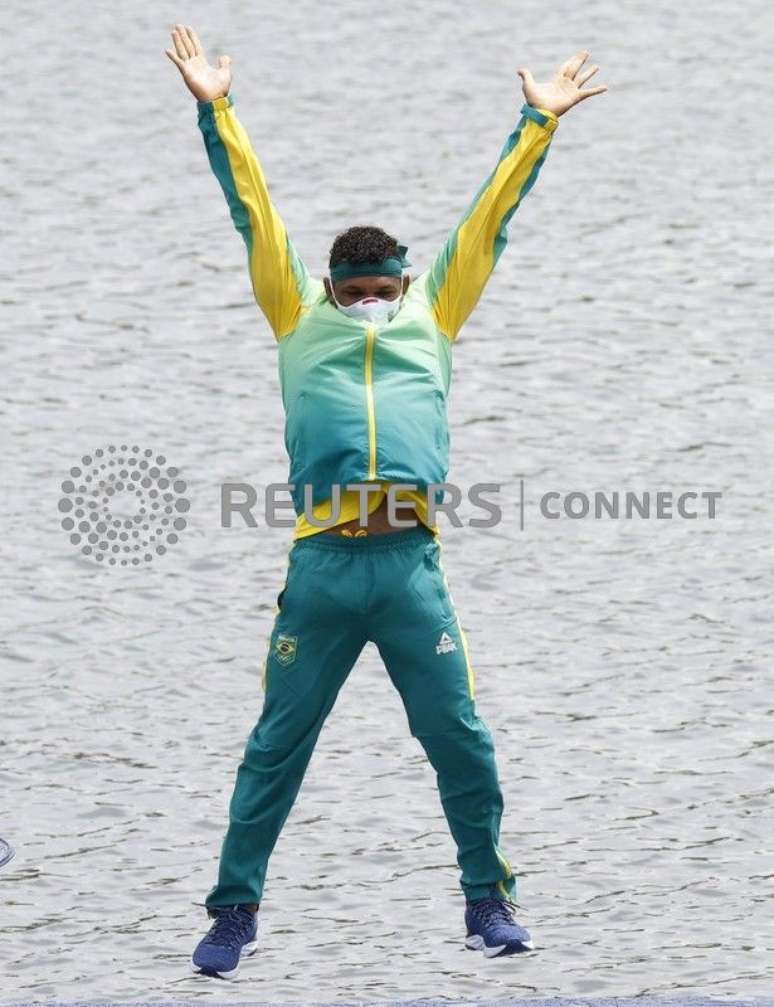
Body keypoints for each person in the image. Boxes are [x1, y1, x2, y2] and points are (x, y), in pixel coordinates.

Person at [165, 23, 606, 978]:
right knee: (275, 750)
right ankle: (233, 913)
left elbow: (491, 216)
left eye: (380, 288)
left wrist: (537, 122)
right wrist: (216, 109)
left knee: (462, 741)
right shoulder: (296, 311)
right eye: (353, 290)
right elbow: (254, 211)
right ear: (329, 286)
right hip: (323, 569)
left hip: (409, 569)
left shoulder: (436, 310)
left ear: (405, 281)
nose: (367, 302)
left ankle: (488, 900)